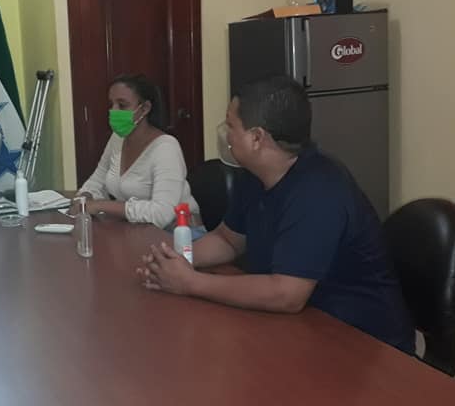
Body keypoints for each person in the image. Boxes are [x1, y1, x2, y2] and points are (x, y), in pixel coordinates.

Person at [138, 75, 414, 353]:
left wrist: (192, 283)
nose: (225, 134)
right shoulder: (255, 175)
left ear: (257, 138)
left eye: (231, 125)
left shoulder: (319, 189)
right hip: (302, 325)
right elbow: (228, 240)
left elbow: (287, 294)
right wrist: (173, 262)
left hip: (364, 343)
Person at [70, 74, 200, 231]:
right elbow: (97, 181)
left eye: (122, 105)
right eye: (111, 104)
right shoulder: (117, 138)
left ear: (145, 108)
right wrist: (85, 197)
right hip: (137, 229)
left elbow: (162, 214)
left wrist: (100, 205)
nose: (113, 111)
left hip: (179, 233)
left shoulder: (166, 147)